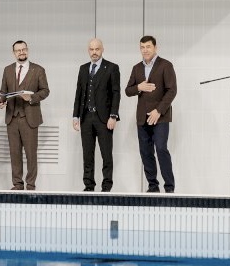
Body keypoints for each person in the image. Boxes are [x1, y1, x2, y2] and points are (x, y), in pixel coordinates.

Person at [124, 36, 178, 193]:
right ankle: (153, 187)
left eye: (148, 46)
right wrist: (138, 87)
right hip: (142, 118)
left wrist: (158, 110)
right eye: (142, 47)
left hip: (160, 117)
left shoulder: (166, 65)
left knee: (161, 149)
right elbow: (128, 90)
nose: (145, 50)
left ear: (155, 47)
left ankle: (169, 188)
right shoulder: (136, 68)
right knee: (146, 153)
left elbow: (172, 90)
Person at [0, 40, 50, 191]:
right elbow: (3, 91)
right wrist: (1, 101)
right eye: (18, 50)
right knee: (14, 153)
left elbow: (45, 91)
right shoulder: (7, 70)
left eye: (24, 49)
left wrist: (31, 97)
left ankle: (31, 185)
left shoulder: (38, 70)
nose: (21, 52)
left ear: (27, 50)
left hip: (30, 118)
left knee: (31, 154)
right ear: (14, 53)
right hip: (12, 117)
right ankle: (17, 184)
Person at [73, 38, 120, 192]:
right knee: (87, 154)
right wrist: (75, 116)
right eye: (91, 49)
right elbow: (79, 93)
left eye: (97, 49)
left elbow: (116, 93)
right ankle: (88, 186)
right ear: (88, 50)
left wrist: (113, 115)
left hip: (104, 119)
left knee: (106, 154)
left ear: (102, 49)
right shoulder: (83, 68)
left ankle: (106, 187)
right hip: (86, 117)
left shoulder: (112, 68)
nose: (94, 52)